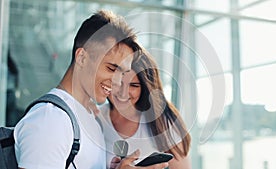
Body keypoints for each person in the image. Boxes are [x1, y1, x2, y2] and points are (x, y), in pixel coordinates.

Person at [14, 10, 168, 169]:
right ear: (82, 58)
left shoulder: (89, 118)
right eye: (111, 68)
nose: (117, 82)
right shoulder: (50, 120)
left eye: (122, 73)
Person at [97, 49, 191, 169]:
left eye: (134, 85)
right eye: (118, 82)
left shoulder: (163, 123)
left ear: (145, 88)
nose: (123, 93)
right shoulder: (95, 118)